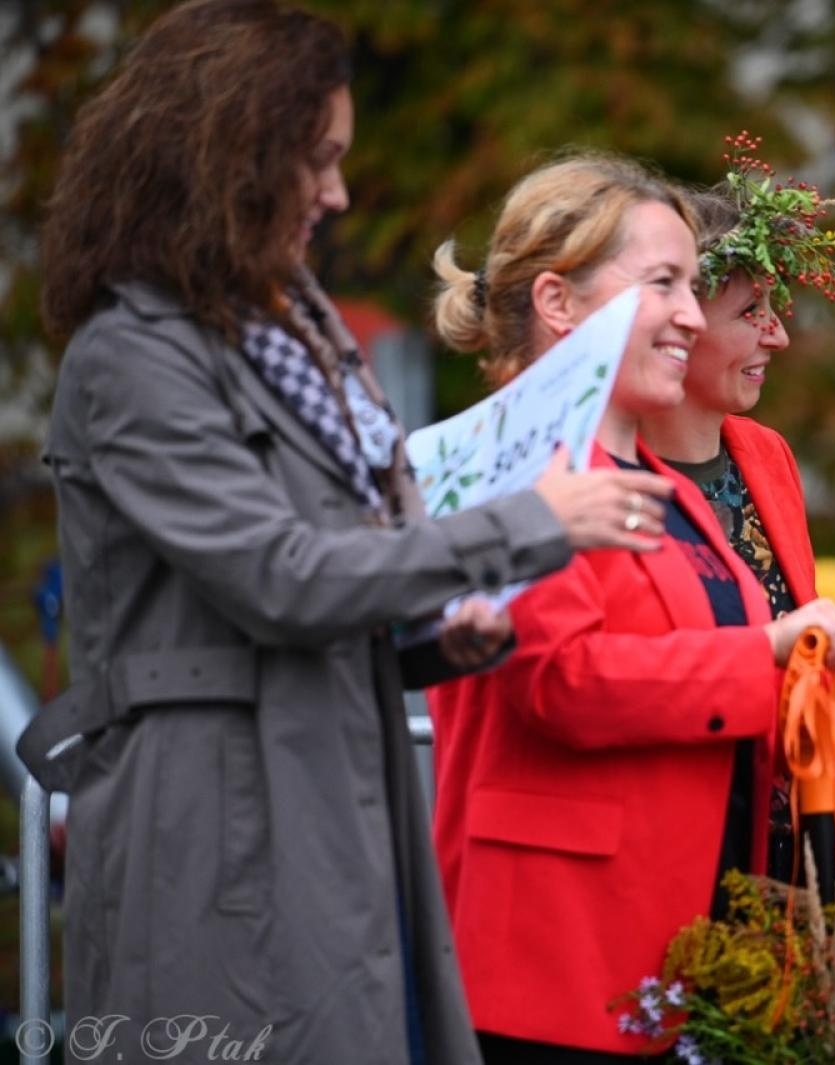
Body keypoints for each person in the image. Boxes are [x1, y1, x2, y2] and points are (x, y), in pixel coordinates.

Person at [27, 3, 673, 1062]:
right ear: (225, 160)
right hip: (209, 823)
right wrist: (525, 526)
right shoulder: (133, 360)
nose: (335, 192)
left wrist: (434, 640)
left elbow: (318, 583)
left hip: (325, 796)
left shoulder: (289, 336)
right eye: (315, 160)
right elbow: (277, 577)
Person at [426, 153, 835, 1062]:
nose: (686, 310)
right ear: (557, 302)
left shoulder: (663, 479)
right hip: (552, 961)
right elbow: (562, 681)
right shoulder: (510, 461)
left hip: (678, 957)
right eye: (663, 282)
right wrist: (773, 653)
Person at [639, 148, 835, 878]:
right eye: (751, 313)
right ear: (681, 321)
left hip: (781, 830)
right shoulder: (609, 467)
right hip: (672, 833)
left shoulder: (764, 452)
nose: (779, 336)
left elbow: (790, 641)